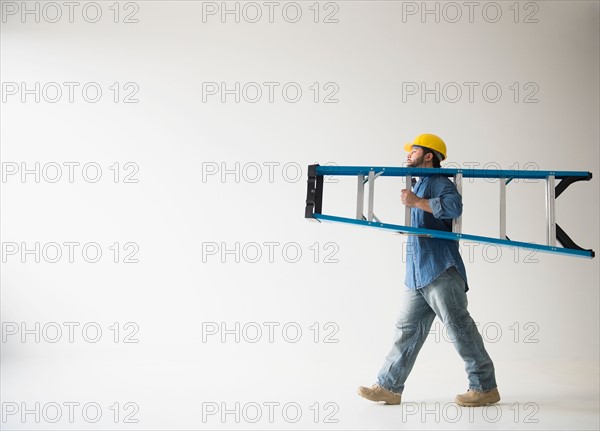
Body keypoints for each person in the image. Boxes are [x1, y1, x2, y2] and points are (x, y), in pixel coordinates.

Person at [357, 134, 500, 407]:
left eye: (414, 150)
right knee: (406, 330)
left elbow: (454, 206)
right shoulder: (419, 183)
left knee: (459, 327)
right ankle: (389, 386)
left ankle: (484, 387)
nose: (408, 154)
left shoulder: (438, 182)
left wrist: (417, 202)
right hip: (417, 274)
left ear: (429, 156)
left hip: (440, 270)